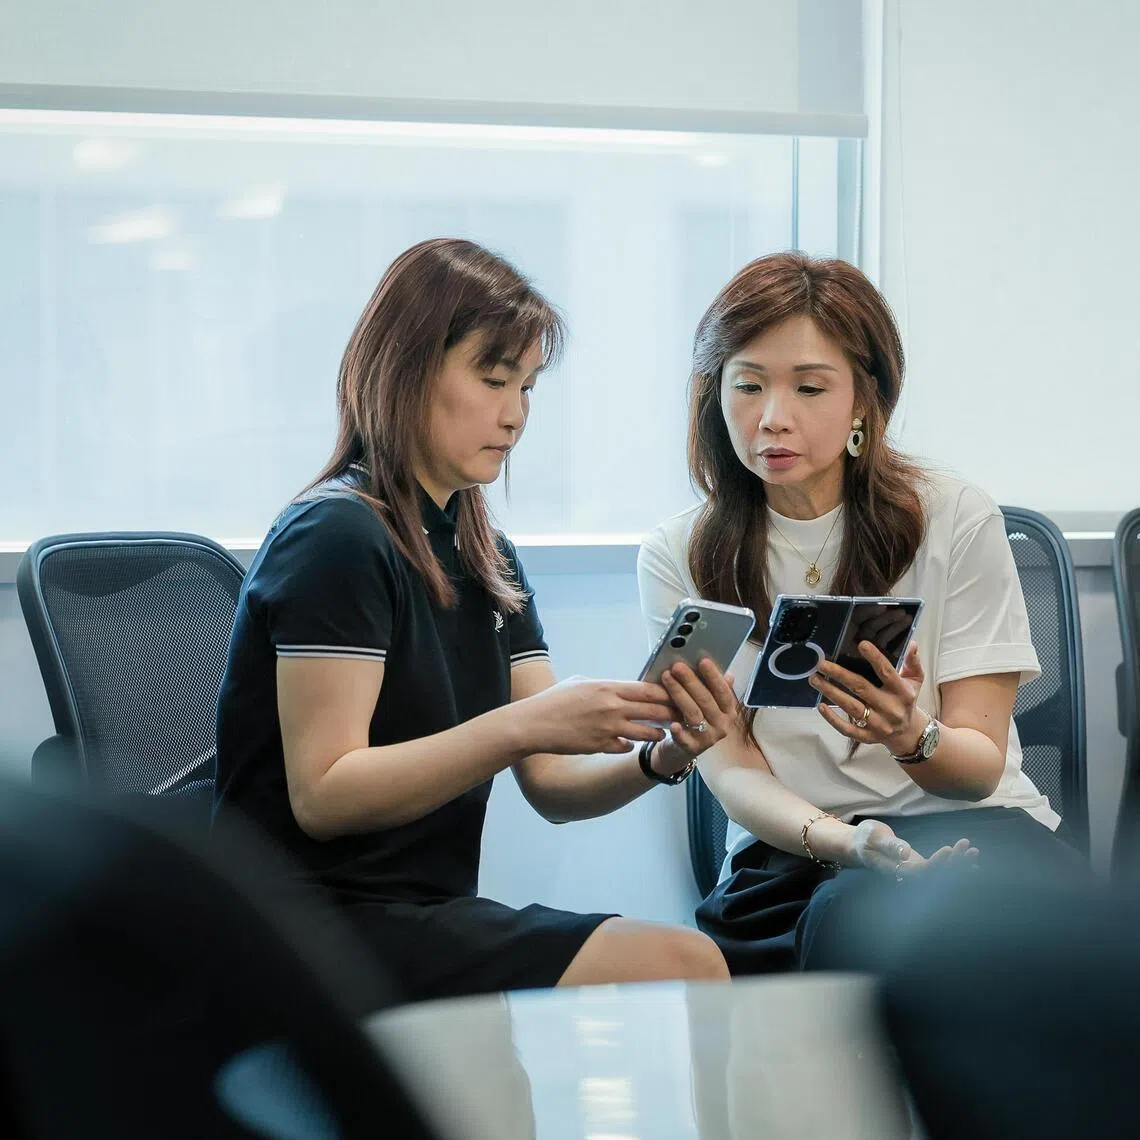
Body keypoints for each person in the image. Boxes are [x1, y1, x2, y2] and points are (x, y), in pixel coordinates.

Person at [214, 238, 729, 1002]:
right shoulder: (337, 537)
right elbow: (324, 795)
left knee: (679, 961)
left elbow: (551, 786)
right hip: (308, 927)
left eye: (526, 388)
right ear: (407, 371)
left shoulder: (488, 552)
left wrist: (662, 758)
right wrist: (525, 725)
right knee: (687, 963)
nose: (515, 415)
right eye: (493, 381)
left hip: (421, 912)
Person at [636, 251, 1083, 975]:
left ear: (864, 402)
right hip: (797, 850)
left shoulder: (954, 517)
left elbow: (975, 767)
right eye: (747, 385)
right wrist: (848, 843)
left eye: (810, 388)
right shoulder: (680, 553)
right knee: (851, 922)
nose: (772, 419)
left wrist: (912, 734)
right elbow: (732, 770)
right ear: (713, 394)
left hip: (974, 829)